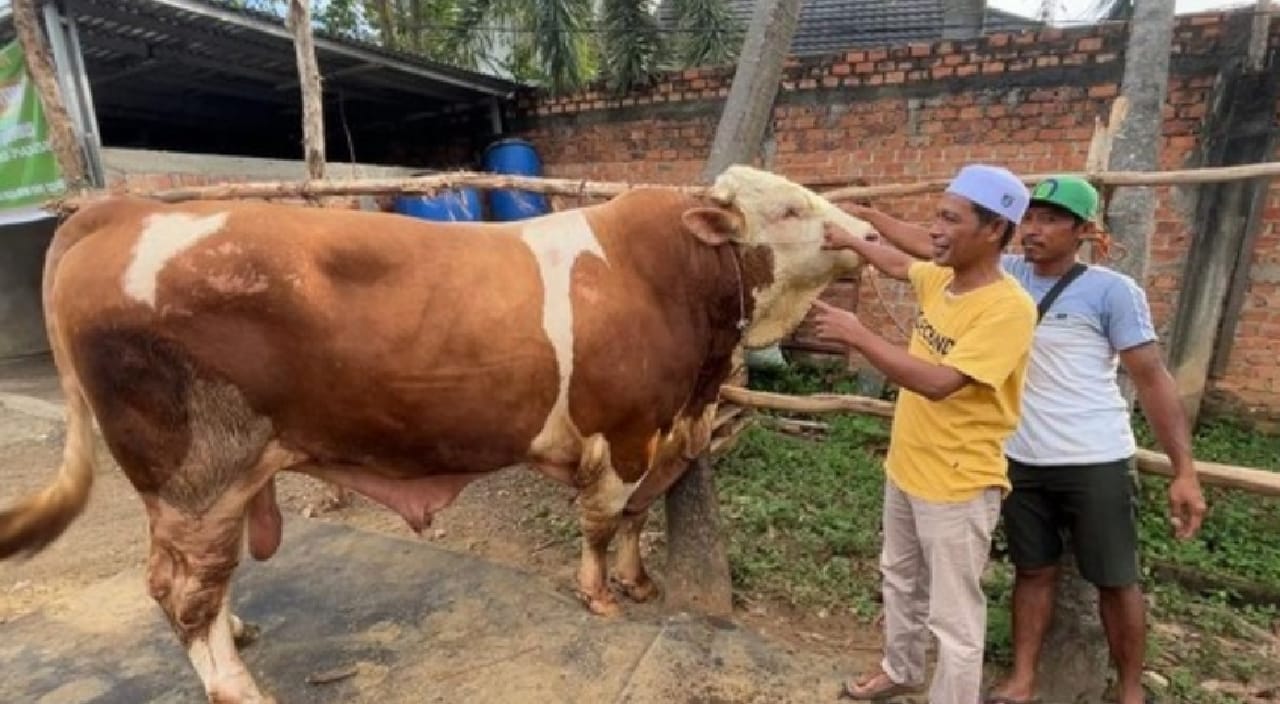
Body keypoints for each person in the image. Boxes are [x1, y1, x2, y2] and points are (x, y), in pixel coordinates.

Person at [840, 175, 1208, 704]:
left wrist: (1185, 468)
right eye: (1031, 217)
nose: (1035, 230)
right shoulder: (996, 272)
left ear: (1084, 231)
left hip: (1090, 456)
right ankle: (1021, 679)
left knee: (1114, 577)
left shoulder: (1108, 291)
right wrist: (867, 223)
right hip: (1017, 455)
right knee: (1032, 571)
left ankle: (1129, 689)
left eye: (1053, 220)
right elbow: (921, 251)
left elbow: (1152, 378)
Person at [813, 164, 1037, 704]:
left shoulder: (1009, 309)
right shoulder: (943, 278)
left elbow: (940, 383)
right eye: (936, 214)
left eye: (949, 219)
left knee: (954, 616)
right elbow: (896, 261)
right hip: (908, 464)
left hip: (957, 483)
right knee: (900, 579)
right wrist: (855, 233)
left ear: (992, 231)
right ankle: (901, 668)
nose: (934, 229)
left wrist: (859, 335)